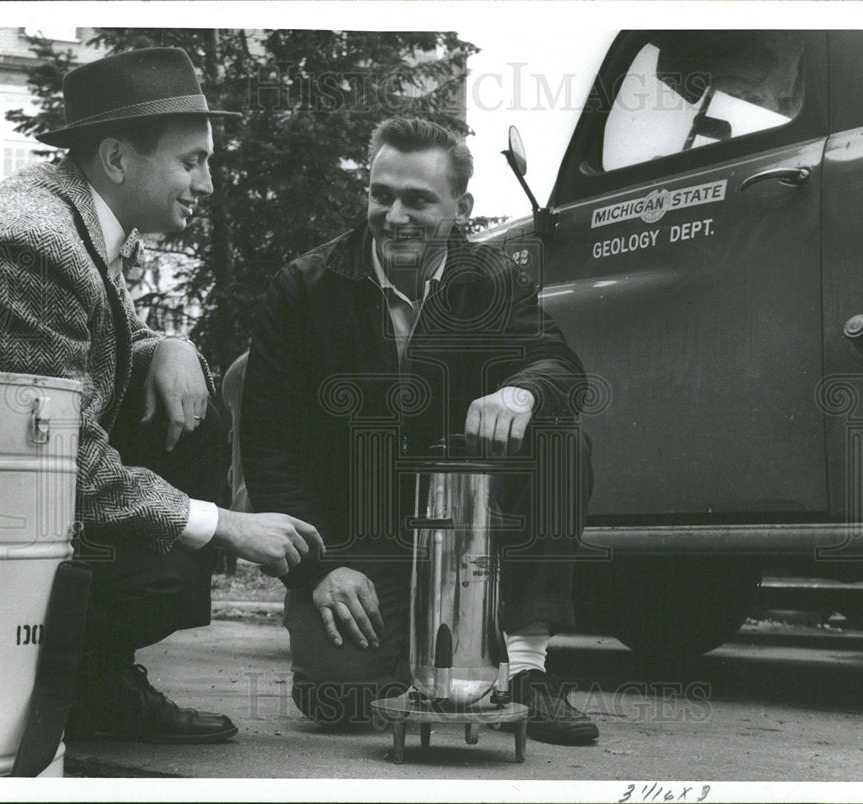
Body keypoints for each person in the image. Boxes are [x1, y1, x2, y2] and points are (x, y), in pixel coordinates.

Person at [0, 47, 323, 745]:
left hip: (21, 508)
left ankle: (94, 677)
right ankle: (67, 684)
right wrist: (223, 524)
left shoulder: (84, 218)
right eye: (191, 161)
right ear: (117, 158)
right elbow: (55, 461)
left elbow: (104, 346)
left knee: (198, 399)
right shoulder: (37, 245)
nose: (206, 182)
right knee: (163, 578)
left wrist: (166, 347)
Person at [241, 117, 598, 745]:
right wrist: (318, 570)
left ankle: (525, 668)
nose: (395, 215)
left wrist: (521, 390)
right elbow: (272, 445)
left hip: (463, 531)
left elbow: (562, 366)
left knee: (559, 434)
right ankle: (421, 650)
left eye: (418, 200)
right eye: (382, 195)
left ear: (460, 207)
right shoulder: (303, 286)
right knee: (339, 698)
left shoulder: (488, 277)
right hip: (354, 536)